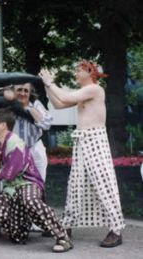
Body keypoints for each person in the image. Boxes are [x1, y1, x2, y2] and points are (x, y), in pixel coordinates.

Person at [39, 60, 125, 247]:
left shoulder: (95, 89)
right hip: (82, 141)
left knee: (104, 183)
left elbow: (66, 97)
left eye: (78, 70)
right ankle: (66, 226)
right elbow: (59, 103)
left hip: (95, 139)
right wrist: (47, 87)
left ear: (89, 71)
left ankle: (116, 230)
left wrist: (50, 83)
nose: (75, 73)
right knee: (75, 184)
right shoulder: (83, 94)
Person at [0, 108, 73, 253]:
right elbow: (6, 171)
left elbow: (9, 174)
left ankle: (62, 237)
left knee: (29, 199)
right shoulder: (1, 143)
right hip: (12, 189)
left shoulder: (15, 143)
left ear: (3, 125)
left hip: (27, 183)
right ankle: (21, 228)